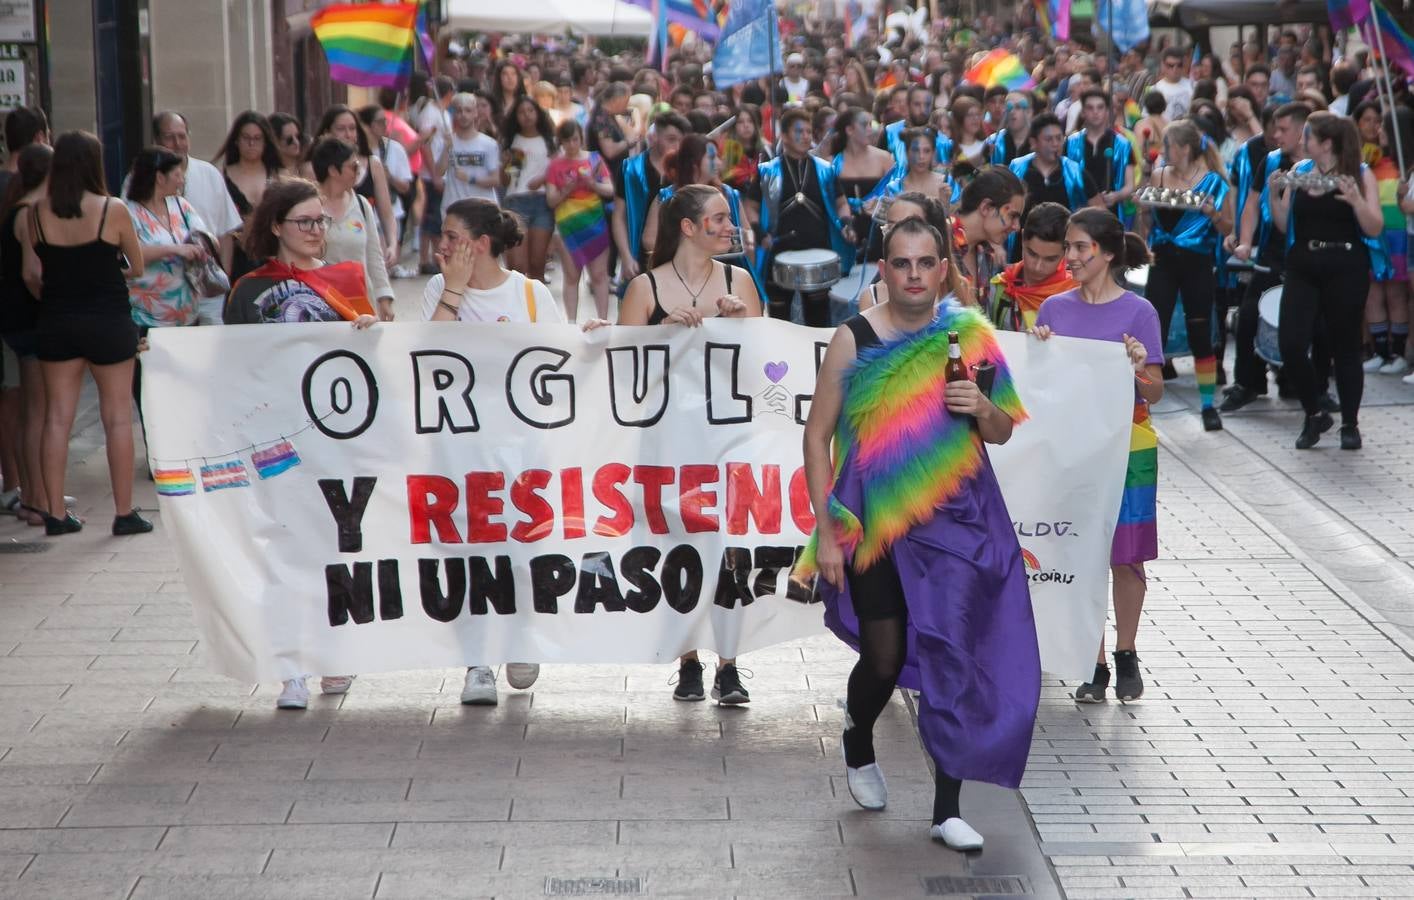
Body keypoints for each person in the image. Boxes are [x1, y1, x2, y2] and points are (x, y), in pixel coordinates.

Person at [797, 215, 1037, 851]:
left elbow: (1002, 430)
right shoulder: (853, 339)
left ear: (942, 269)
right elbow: (816, 436)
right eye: (900, 263)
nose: (913, 275)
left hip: (958, 523)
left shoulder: (970, 336)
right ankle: (857, 734)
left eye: (924, 263)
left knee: (954, 653)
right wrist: (826, 531)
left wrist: (981, 408)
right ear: (884, 269)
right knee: (884, 656)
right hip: (876, 525)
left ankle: (947, 809)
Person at [222, 177, 375, 709]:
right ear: (276, 227)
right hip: (275, 437)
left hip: (337, 439)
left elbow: (372, 360)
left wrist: (370, 334)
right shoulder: (248, 290)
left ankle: (335, 653)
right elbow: (233, 366)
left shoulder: (348, 278)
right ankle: (291, 668)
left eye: (321, 221)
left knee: (336, 548)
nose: (316, 231)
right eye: (305, 222)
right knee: (285, 548)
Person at [619, 185, 763, 703]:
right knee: (678, 546)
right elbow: (624, 377)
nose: (730, 227)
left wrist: (742, 322)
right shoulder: (644, 289)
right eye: (720, 218)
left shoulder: (740, 282)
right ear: (688, 227)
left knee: (729, 549)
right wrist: (660, 331)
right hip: (667, 446)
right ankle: (688, 661)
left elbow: (764, 365)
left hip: (727, 441)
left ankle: (729, 664)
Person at [422, 198, 567, 704]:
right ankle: (476, 663)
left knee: (522, 550)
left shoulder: (530, 295)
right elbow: (425, 355)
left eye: (452, 236)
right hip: (458, 451)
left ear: (481, 244)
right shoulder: (439, 291)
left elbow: (559, 361)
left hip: (520, 452)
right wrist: (456, 291)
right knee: (467, 554)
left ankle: (520, 638)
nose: (442, 245)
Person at [1032, 207, 1163, 703]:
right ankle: (1095, 658)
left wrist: (1137, 369)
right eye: (1068, 247)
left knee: (1126, 560)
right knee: (1079, 554)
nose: (1070, 257)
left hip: (1129, 447)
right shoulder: (1054, 311)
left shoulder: (1139, 313)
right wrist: (1038, 351)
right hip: (1073, 450)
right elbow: (1041, 389)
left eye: (1080, 248)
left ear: (1107, 254)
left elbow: (1155, 393)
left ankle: (1126, 650)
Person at [20, 131, 150, 536]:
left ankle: (55, 514)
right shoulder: (112, 209)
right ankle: (124, 512)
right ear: (95, 164)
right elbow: (139, 265)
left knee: (57, 419)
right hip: (108, 322)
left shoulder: (34, 213)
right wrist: (109, 272)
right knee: (116, 418)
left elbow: (30, 274)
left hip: (57, 322)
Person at [1270, 112, 1387, 450]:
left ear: (1326, 144)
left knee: (1346, 346)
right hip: (1303, 263)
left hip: (1345, 264)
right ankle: (1314, 412)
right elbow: (1281, 224)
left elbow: (1375, 227)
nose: (1302, 142)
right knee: (1291, 343)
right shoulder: (1301, 173)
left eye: (1308, 136)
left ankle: (1350, 422)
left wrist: (1356, 202)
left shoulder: (1359, 175)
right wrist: (1274, 194)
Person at [1136, 120, 1233, 431]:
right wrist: (1144, 207)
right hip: (1163, 262)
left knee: (1200, 334)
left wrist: (1212, 214)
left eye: (1169, 147)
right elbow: (1147, 222)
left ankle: (1207, 405)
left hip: (1197, 263)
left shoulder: (1214, 182)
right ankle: (1143, 406)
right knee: (1154, 333)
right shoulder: (1160, 175)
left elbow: (1227, 228)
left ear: (1185, 149)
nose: (1165, 152)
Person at [1222, 103, 1311, 412]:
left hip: (1307, 256)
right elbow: (1251, 203)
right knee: (1248, 317)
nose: (1275, 135)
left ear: (1303, 131)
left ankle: (1306, 384)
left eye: (1283, 129)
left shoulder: (1320, 165)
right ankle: (1248, 383)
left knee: (1309, 324)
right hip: (1272, 252)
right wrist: (1245, 242)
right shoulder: (1271, 161)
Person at [124, 146, 207, 429]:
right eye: (176, 173)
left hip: (187, 316)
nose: (182, 179)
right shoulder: (128, 212)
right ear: (160, 177)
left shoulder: (182, 206)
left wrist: (205, 247)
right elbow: (126, 255)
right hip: (148, 319)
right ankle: (158, 453)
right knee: (152, 391)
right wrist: (174, 249)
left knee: (188, 390)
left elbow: (202, 236)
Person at [758, 107, 854, 325]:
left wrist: (846, 223)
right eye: (799, 132)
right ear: (784, 136)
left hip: (818, 252)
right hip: (779, 252)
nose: (805, 137)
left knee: (818, 318)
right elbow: (752, 207)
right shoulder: (767, 171)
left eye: (809, 132)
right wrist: (758, 231)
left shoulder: (825, 169)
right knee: (779, 319)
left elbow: (841, 202)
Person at [0, 142, 52, 528]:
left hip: (17, 321)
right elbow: (32, 273)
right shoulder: (30, 213)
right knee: (37, 411)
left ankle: (33, 494)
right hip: (30, 321)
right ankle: (36, 499)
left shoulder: (15, 209)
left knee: (30, 412)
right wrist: (52, 302)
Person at [151, 111, 242, 325]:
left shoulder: (209, 173)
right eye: (169, 137)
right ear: (156, 140)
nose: (177, 143)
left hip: (208, 284)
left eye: (182, 136)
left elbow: (226, 231)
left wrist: (223, 274)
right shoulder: (139, 178)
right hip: (164, 289)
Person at [311, 138, 395, 322]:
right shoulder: (310, 207)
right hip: (322, 302)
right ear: (333, 170)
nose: (359, 172)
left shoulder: (361, 204)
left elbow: (374, 254)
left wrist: (384, 297)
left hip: (361, 304)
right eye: (354, 167)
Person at [1356, 103, 1410, 376]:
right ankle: (1380, 351)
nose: (1378, 130)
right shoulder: (1370, 162)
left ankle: (1398, 352)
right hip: (1374, 235)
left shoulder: (1405, 165)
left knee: (1395, 292)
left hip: (1399, 234)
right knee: (1374, 293)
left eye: (1384, 126)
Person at [311, 105, 399, 270]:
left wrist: (392, 244)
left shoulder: (373, 164)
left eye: (352, 128)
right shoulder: (313, 167)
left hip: (361, 242)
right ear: (327, 132)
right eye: (341, 129)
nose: (348, 134)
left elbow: (386, 213)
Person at [544, 120, 613, 321]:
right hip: (567, 227)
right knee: (572, 276)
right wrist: (568, 188)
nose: (572, 145)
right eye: (567, 141)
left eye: (575, 139)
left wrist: (592, 183)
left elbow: (610, 190)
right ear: (561, 142)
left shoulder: (594, 159)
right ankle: (571, 324)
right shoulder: (555, 165)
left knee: (599, 275)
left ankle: (603, 320)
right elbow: (551, 200)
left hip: (594, 224)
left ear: (581, 138)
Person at [613, 111, 688, 282]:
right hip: (639, 253)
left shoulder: (686, 170)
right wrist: (626, 256)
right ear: (655, 137)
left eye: (680, 140)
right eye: (671, 139)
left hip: (678, 256)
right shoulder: (630, 169)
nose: (677, 145)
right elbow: (619, 216)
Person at [988, 202, 1078, 331]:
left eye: (1050, 259)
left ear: (1067, 251)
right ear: (1023, 238)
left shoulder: (1078, 296)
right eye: (1032, 254)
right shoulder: (998, 288)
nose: (1038, 267)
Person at [218, 111, 282, 284]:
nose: (251, 143)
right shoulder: (222, 178)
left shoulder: (278, 177)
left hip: (273, 258)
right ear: (237, 140)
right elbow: (222, 228)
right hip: (236, 259)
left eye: (257, 138)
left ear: (265, 142)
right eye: (246, 137)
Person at [499, 96, 557, 283]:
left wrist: (543, 179)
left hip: (542, 203)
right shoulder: (514, 142)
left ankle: (536, 309)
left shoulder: (550, 142)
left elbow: (559, 172)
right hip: (517, 202)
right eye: (522, 112)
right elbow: (507, 180)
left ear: (538, 113)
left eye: (530, 111)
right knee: (517, 265)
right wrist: (504, 165)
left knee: (537, 264)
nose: (527, 116)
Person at [950, 166, 1027, 305]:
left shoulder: (988, 255)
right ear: (986, 207)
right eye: (1012, 216)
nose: (1017, 227)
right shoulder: (937, 241)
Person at [830, 108, 897, 264]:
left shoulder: (884, 158)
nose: (870, 130)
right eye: (865, 125)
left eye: (870, 124)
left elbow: (896, 194)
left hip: (878, 231)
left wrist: (879, 206)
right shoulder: (834, 163)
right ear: (849, 130)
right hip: (847, 231)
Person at [1010, 113, 1102, 224]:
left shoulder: (1075, 172)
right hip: (1023, 238)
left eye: (1059, 138)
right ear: (1033, 142)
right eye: (1049, 139)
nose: (1055, 144)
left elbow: (1100, 211)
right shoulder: (1017, 168)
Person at [358, 103, 415, 274]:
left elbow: (406, 187)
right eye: (379, 121)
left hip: (388, 212)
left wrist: (388, 177)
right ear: (366, 126)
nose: (385, 125)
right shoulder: (355, 153)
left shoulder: (395, 149)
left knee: (381, 267)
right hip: (362, 218)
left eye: (386, 121)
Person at [1066, 90, 1136, 225]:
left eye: (1100, 107)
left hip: (1110, 214)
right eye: (1090, 108)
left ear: (1107, 111)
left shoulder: (1123, 144)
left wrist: (1116, 196)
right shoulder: (1070, 142)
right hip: (1076, 214)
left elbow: (1130, 185)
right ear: (1083, 112)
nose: (1095, 112)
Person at [415, 75, 456, 275]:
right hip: (431, 175)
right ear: (449, 93)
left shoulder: (443, 113)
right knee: (430, 217)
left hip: (441, 172)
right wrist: (434, 174)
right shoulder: (431, 114)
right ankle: (427, 258)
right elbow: (425, 144)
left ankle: (432, 257)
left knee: (435, 216)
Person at [879, 84, 954, 174]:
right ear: (908, 105)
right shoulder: (890, 133)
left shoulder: (943, 141)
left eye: (927, 104)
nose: (923, 110)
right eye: (917, 104)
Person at [984, 91, 1035, 167]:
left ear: (1029, 112)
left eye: (1018, 107)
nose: (1012, 111)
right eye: (1009, 107)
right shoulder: (993, 141)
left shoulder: (1040, 141)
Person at [1153, 47, 1195, 119]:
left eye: (1179, 65)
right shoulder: (1155, 89)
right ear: (1163, 65)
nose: (1175, 69)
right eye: (1170, 65)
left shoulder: (1193, 86)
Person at [950, 97, 987, 173]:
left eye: (978, 114)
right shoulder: (950, 147)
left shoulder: (987, 145)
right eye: (970, 115)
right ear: (959, 119)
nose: (975, 118)